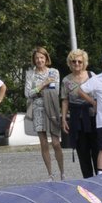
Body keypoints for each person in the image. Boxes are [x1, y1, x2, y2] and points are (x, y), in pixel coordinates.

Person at [21, 46, 65, 179]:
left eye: (42, 57)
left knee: (56, 142)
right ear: (34, 60)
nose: (39, 60)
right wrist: (43, 85)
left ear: (46, 59)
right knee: (43, 142)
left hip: (51, 106)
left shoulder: (54, 72)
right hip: (37, 109)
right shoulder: (30, 74)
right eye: (37, 58)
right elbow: (28, 93)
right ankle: (50, 174)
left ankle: (62, 172)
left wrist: (38, 90)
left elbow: (55, 91)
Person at [60, 48, 98, 179]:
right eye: (74, 61)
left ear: (84, 63)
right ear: (70, 63)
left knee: (96, 148)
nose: (77, 64)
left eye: (80, 62)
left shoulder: (92, 75)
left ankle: (100, 176)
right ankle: (88, 178)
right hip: (76, 118)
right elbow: (65, 100)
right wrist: (64, 119)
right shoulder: (66, 80)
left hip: (93, 116)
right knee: (82, 150)